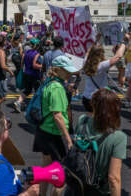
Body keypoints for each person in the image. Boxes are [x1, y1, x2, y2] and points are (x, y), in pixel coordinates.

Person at [33, 55, 80, 196]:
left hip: (43, 131)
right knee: (62, 175)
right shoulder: (57, 87)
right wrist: (68, 140)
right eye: (66, 71)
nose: (69, 73)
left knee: (46, 169)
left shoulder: (48, 82)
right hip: (55, 134)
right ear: (58, 70)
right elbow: (58, 115)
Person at [72, 88, 126, 196]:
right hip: (98, 190)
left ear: (93, 105)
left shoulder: (82, 120)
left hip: (77, 185)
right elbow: (113, 178)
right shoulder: (119, 137)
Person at [83, 43, 126, 112]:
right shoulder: (101, 66)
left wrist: (95, 42)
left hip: (86, 97)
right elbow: (118, 56)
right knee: (101, 119)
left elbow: (88, 51)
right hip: (98, 98)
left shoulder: (85, 62)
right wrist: (123, 44)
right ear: (101, 54)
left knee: (92, 118)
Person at [14, 38, 42, 112]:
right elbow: (35, 65)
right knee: (38, 91)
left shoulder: (26, 52)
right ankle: (35, 107)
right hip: (35, 75)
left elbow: (22, 62)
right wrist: (42, 66)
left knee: (27, 90)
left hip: (26, 73)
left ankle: (18, 102)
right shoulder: (36, 54)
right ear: (37, 46)